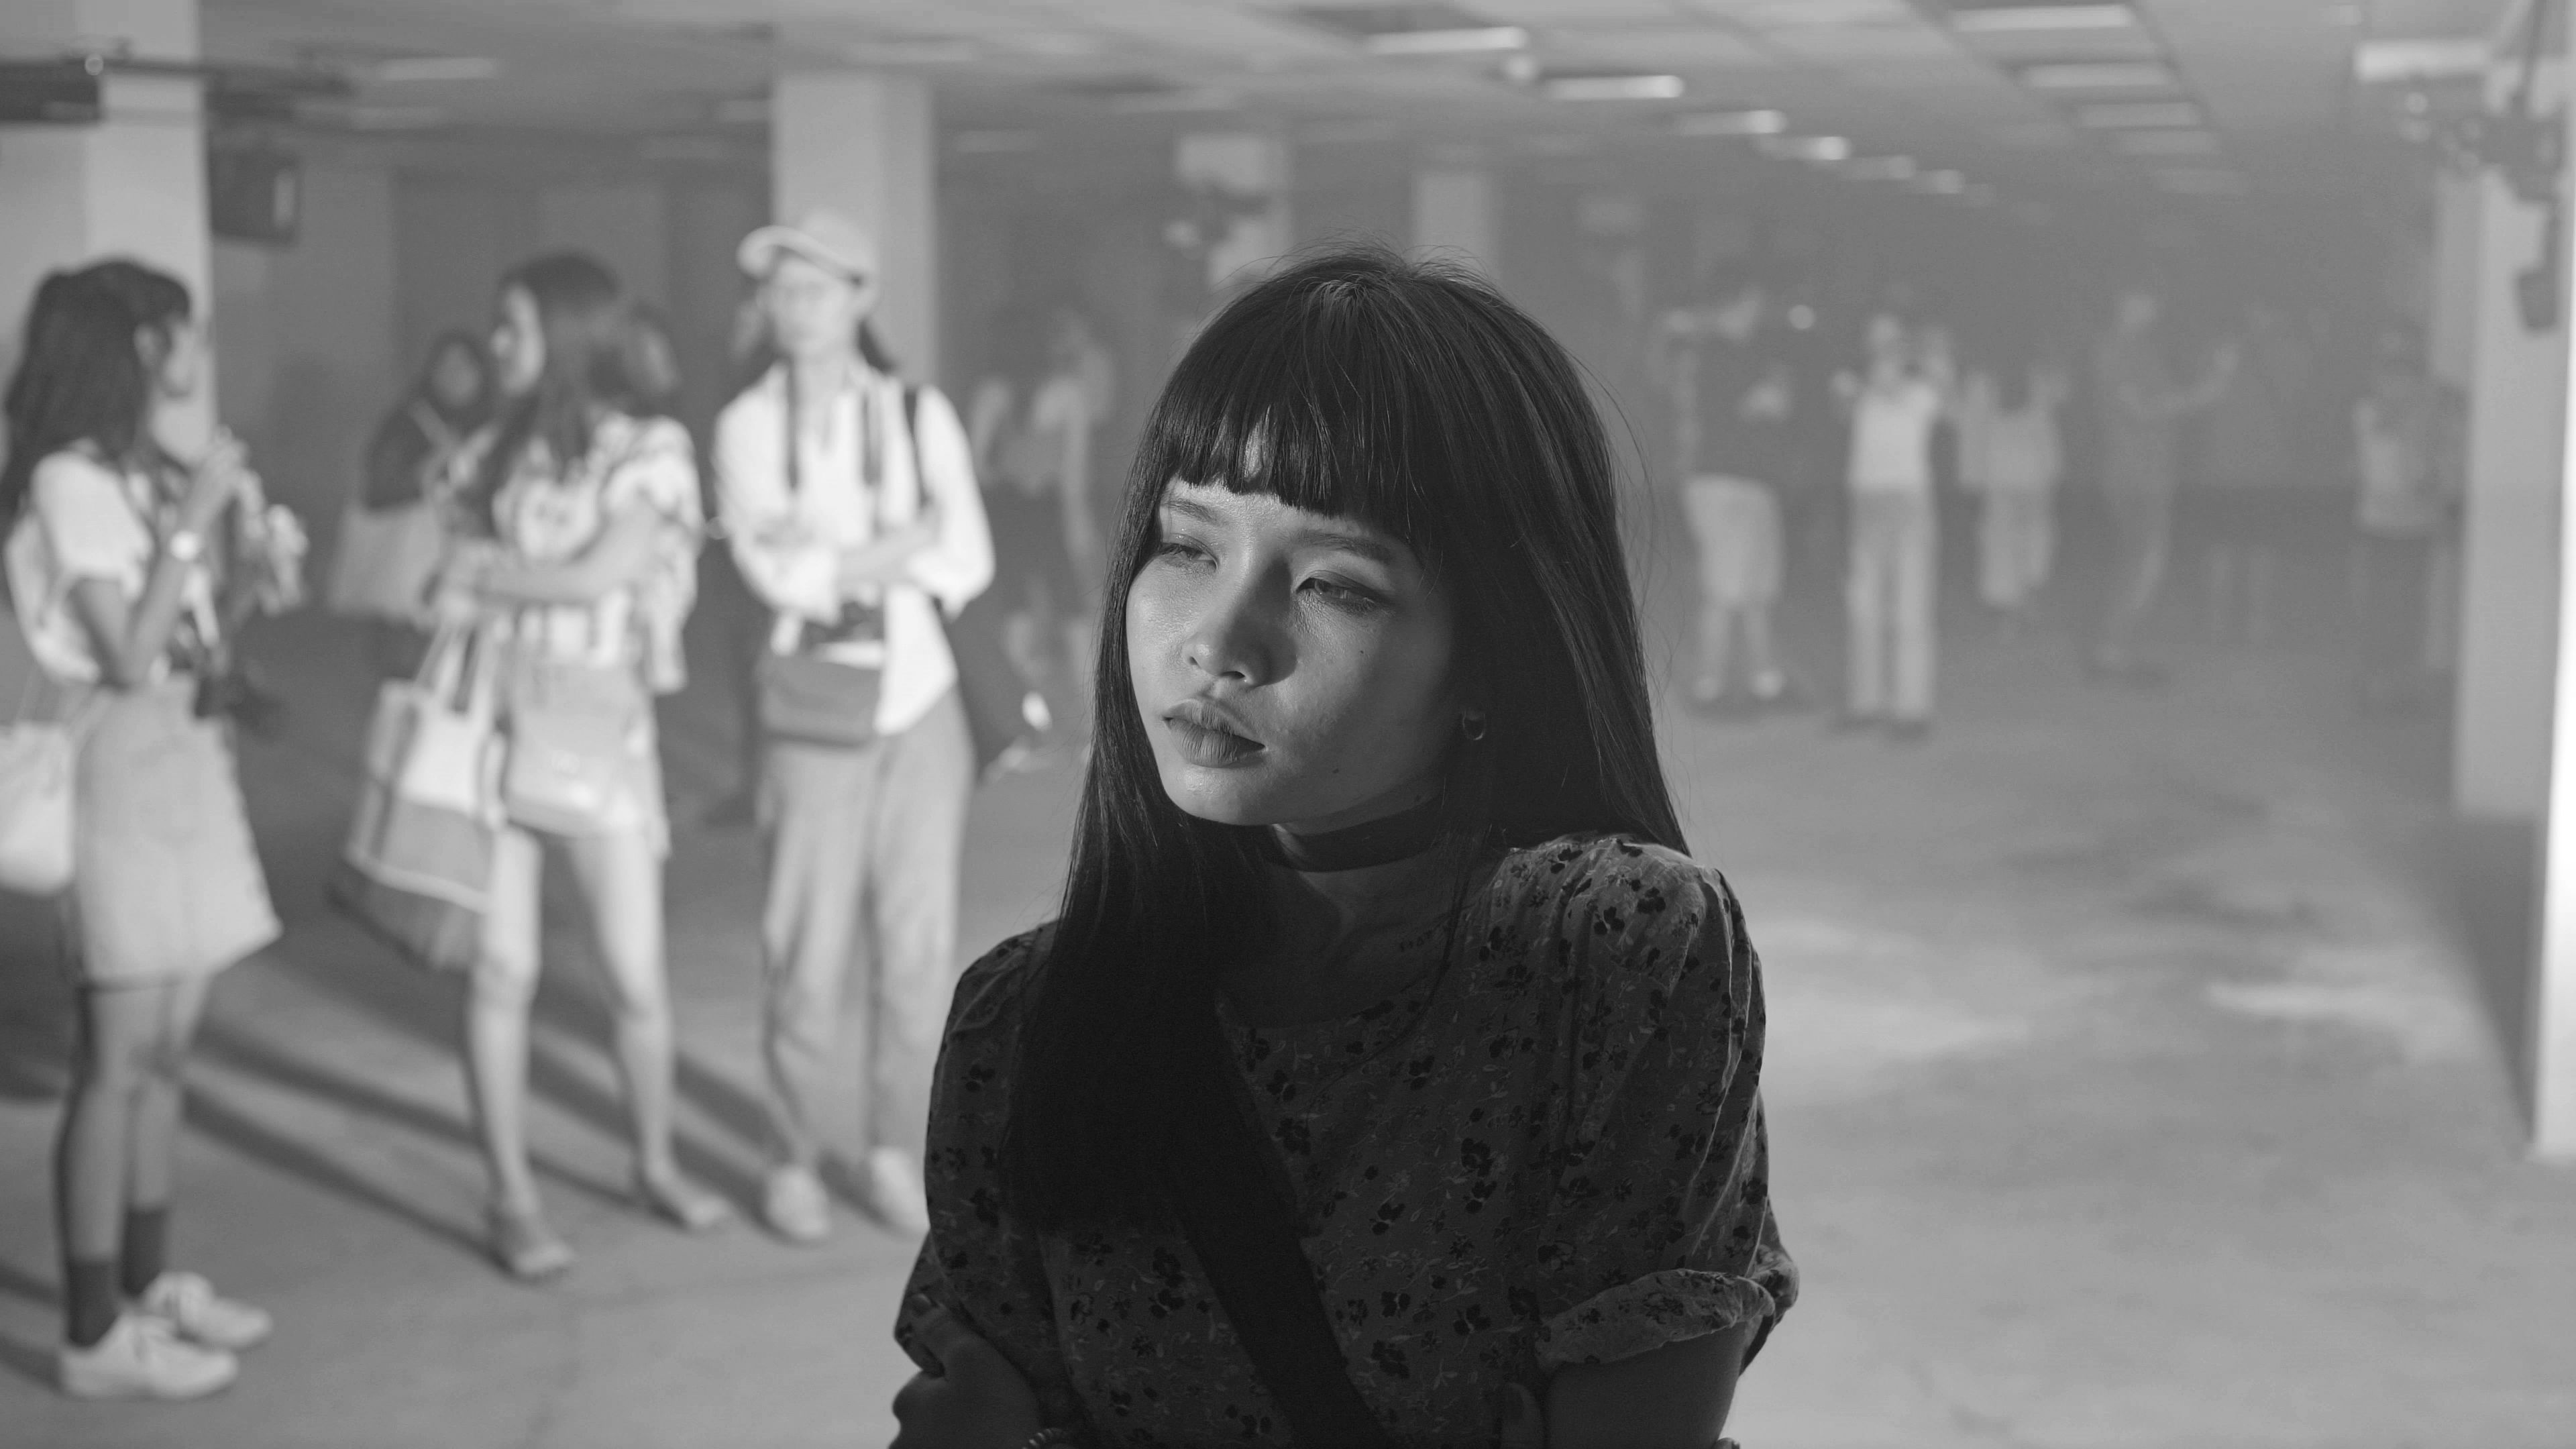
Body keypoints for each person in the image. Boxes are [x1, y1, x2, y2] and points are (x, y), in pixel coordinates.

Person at [885, 246, 1793, 1449]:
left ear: (1496, 653)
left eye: (1337, 585)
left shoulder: (1607, 950)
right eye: (1189, 547)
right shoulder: (1025, 1022)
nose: (1221, 643)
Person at [5, 261, 301, 1399]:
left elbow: (182, 641)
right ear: (137, 345)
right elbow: (124, 657)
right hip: (119, 765)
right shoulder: (70, 481)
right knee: (116, 1060)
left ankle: (146, 1282)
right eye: (183, 332)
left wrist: (254, 573)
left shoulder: (139, 474)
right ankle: (92, 1334)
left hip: (186, 752)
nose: (194, 353)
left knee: (168, 1050)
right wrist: (191, 524)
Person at [429, 251, 729, 1279]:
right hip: (499, 728)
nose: (495, 345)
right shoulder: (494, 450)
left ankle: (654, 1162)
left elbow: (601, 572)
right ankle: (510, 1198)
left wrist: (495, 575)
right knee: (501, 970)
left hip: (600, 737)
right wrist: (505, 577)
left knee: (634, 977)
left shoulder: (649, 448)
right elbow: (445, 568)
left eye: (513, 327)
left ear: (564, 334)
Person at [712, 210, 995, 1244]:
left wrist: (836, 560)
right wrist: (892, 546)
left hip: (920, 705)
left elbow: (966, 558)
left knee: (916, 953)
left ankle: (891, 1153)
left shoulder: (916, 413)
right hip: (812, 711)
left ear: (860, 299)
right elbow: (773, 576)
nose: (796, 309)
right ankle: (790, 1156)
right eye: (781, 290)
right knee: (806, 949)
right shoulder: (747, 427)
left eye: (817, 288)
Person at [1649, 272, 1802, 716]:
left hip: (1751, 480)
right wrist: (1773, 393)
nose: (1758, 312)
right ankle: (1710, 688)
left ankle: (1765, 683)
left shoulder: (1731, 351)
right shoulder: (1715, 353)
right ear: (1732, 304)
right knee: (1725, 589)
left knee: (1757, 588)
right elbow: (1767, 405)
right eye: (1751, 303)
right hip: (1721, 481)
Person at [969, 303, 1105, 735]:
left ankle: (1018, 718)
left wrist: (1011, 470)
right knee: (1072, 606)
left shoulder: (992, 392)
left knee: (1015, 607)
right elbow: (1074, 474)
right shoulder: (1068, 392)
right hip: (1049, 508)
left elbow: (976, 467)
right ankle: (1093, 717)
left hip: (1006, 510)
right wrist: (1079, 524)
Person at [2088, 286, 2235, 684]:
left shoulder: (2140, 349)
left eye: (2155, 301)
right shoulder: (2116, 350)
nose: (2154, 309)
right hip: (2134, 473)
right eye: (2146, 300)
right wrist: (2203, 393)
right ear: (2125, 302)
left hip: (2149, 470)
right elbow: (2139, 409)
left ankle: (2116, 648)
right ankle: (2111, 651)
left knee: (2139, 559)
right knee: (2144, 561)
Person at [345, 331, 490, 678]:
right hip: (407, 589)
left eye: (465, 367)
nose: (455, 377)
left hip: (471, 585)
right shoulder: (407, 424)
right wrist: (430, 469)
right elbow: (378, 489)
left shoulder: (494, 427)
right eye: (446, 367)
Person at [1837, 312, 1952, 741]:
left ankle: (1911, 710)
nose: (1882, 353)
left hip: (1908, 504)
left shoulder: (1923, 393)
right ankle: (1865, 703)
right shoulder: (1858, 392)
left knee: (1911, 607)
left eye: (1890, 347)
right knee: (1863, 607)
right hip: (1866, 503)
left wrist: (1930, 358)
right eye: (1876, 347)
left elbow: (1951, 401)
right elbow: (1838, 408)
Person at [2192, 305, 2312, 647]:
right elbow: (2298, 401)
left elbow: (2201, 396)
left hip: (2224, 464)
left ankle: (2218, 622)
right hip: (2264, 465)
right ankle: (2255, 622)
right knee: (2259, 545)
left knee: (2225, 545)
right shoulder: (2292, 351)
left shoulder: (2218, 348)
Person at [2350, 323, 2455, 711]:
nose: (2396, 388)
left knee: (2404, 609)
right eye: (2391, 379)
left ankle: (2394, 686)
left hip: (2406, 526)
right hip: (2386, 526)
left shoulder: (2408, 417)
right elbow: (2404, 478)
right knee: (2386, 609)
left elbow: (2422, 473)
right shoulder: (2375, 416)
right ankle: (2379, 686)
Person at [1956, 345, 2070, 636]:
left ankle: (2013, 607)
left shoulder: (1998, 379)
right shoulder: (2029, 376)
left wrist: (1972, 477)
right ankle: (2022, 600)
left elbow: (1973, 429)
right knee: (2026, 539)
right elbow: (2049, 418)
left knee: (2007, 542)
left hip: (2008, 472)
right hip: (2023, 471)